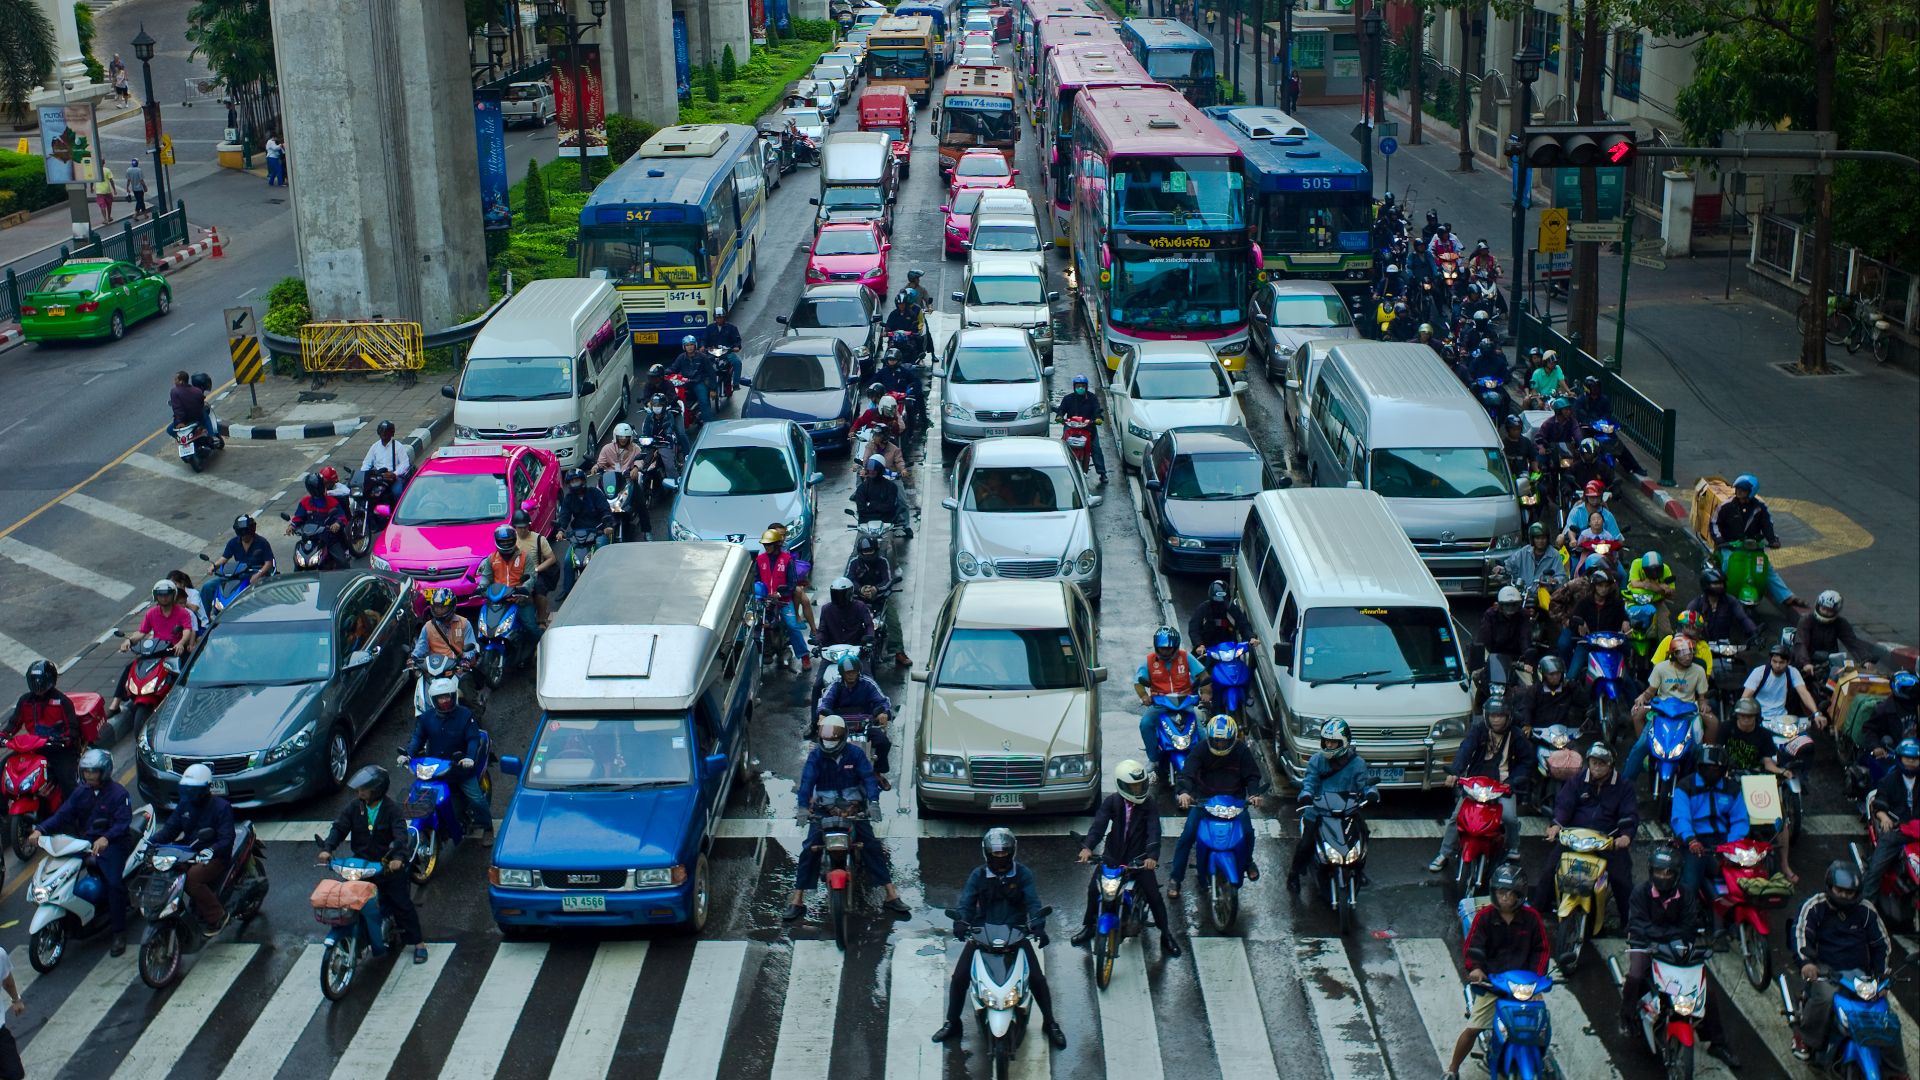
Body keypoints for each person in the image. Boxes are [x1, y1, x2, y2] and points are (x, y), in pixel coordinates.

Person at [932, 829, 1067, 1049]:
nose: (1000, 857)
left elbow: (1033, 903)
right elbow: (966, 902)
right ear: (987, 854)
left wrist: (1038, 926)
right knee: (959, 978)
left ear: (1012, 852)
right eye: (996, 854)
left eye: (1004, 853)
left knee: (1037, 979)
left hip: (1016, 934)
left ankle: (1050, 1023)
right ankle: (952, 1022)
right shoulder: (978, 875)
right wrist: (961, 922)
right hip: (981, 935)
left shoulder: (1023, 874)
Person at [1615, 846, 1742, 1063]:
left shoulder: (1686, 895)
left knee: (1705, 991)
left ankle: (1718, 1043)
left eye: (1667, 873)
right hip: (1645, 945)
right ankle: (1627, 1017)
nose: (1662, 877)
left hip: (1677, 948)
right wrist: (1668, 936)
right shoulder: (1639, 893)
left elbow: (1689, 927)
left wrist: (1668, 937)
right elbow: (1638, 925)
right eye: (1658, 872)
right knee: (1636, 975)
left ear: (1676, 875)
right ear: (1650, 871)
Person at [784, 716, 909, 921]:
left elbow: (869, 779)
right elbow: (806, 782)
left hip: (854, 810)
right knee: (809, 848)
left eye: (834, 740)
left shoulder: (856, 754)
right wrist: (803, 808)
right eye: (827, 740)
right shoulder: (816, 757)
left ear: (843, 738)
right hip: (825, 810)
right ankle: (797, 899)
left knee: (871, 845)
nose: (830, 743)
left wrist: (873, 803)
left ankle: (891, 893)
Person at [1443, 863, 1550, 1080]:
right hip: (1493, 985)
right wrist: (1476, 969)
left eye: (1511, 894)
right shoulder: (1485, 918)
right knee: (1473, 1028)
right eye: (1502, 892)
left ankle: (1542, 1061)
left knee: (1539, 1028)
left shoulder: (1532, 919)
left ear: (1520, 895)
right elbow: (1473, 948)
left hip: (1524, 987)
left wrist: (1536, 980)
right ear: (1494, 893)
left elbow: (1542, 950)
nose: (1506, 898)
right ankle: (1452, 1069)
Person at [317, 765, 426, 964]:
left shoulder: (391, 810)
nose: (359, 792)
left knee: (401, 904)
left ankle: (418, 943)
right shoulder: (354, 807)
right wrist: (328, 848)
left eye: (364, 789)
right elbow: (339, 828)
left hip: (385, 866)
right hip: (360, 866)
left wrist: (397, 859)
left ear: (376, 789)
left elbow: (400, 836)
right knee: (346, 901)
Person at [1789, 862, 1896, 1065]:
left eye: (1850, 892)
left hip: (1859, 974)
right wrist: (1806, 963)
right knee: (1826, 996)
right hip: (1825, 970)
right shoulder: (1814, 906)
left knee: (1882, 1011)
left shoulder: (1866, 910)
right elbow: (1801, 933)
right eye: (1840, 890)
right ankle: (1804, 1037)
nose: (1845, 896)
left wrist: (1883, 976)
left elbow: (1881, 944)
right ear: (1830, 887)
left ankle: (1897, 1069)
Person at [29, 749, 134, 955]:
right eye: (86, 772)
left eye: (93, 772)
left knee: (114, 883)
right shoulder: (81, 792)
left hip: (114, 844)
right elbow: (62, 815)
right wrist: (40, 830)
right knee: (60, 866)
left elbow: (123, 823)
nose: (88, 776)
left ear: (104, 772)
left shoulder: (119, 794)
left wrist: (107, 838)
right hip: (86, 842)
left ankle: (119, 932)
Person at [1071, 760, 1179, 957]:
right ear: (1121, 785)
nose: (1138, 789)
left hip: (1138, 860)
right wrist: (1087, 847)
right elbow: (1099, 826)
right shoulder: (1112, 801)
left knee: (1154, 895)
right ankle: (1088, 927)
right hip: (1112, 857)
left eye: (1140, 785)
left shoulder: (1149, 805)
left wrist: (1151, 856)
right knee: (1093, 890)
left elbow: (1154, 831)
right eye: (1133, 786)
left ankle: (1166, 935)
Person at [1532, 743, 1636, 928]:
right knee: (1549, 870)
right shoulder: (1577, 780)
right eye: (1594, 762)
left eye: (1601, 763)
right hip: (1575, 837)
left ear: (1611, 765)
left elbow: (1629, 814)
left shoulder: (1623, 785)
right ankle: (1536, 916)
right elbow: (1564, 805)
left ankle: (1630, 925)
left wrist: (1625, 836)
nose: (1596, 767)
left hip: (1606, 840)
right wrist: (1556, 825)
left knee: (1622, 879)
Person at [1167, 715, 1269, 894]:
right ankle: (1175, 878)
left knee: (1247, 833)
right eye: (1216, 741)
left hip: (1235, 802)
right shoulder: (1200, 749)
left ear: (1232, 739)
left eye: (1224, 741)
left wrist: (1254, 794)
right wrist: (1184, 792)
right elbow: (1187, 773)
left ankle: (1247, 862)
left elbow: (1252, 775)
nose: (1220, 745)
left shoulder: (1241, 750)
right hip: (1204, 801)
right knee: (1187, 836)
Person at [1428, 696, 1529, 873]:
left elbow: (1526, 762)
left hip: (1502, 786)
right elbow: (1465, 750)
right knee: (1457, 817)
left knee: (1509, 818)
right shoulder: (1479, 730)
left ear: (1508, 716)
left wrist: (1513, 782)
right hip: (1476, 785)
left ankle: (1513, 846)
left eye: (1500, 716)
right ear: (1486, 716)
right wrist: (1455, 772)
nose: (1496, 720)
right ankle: (1445, 853)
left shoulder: (1517, 735)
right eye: (1492, 716)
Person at [1286, 719, 1377, 895]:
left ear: (1344, 742)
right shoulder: (1317, 760)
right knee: (1306, 843)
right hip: (1319, 811)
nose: (1329, 745)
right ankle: (1293, 874)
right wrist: (1306, 794)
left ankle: (1358, 869)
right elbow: (1310, 781)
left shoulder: (1357, 763)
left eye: (1333, 742)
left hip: (1347, 811)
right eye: (1326, 741)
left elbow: (1364, 783)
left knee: (1363, 836)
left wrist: (1370, 792)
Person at [149, 763, 236, 935]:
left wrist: (211, 851)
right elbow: (170, 829)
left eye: (193, 791)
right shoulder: (184, 805)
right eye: (187, 790)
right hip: (188, 851)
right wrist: (150, 843)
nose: (189, 794)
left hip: (214, 856)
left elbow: (226, 839)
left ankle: (217, 915)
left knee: (192, 879)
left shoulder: (221, 807)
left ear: (206, 789)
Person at [401, 678, 491, 839]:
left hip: (459, 768)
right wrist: (407, 755)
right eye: (440, 698)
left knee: (476, 798)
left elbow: (473, 739)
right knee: (420, 796)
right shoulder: (426, 718)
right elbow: (417, 738)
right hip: (435, 768)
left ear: (453, 696)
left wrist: (469, 758)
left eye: (447, 696)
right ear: (434, 700)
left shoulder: (465, 715)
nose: (444, 701)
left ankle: (487, 828)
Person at [1671, 744, 1748, 928]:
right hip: (1696, 841)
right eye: (1708, 767)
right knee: (1690, 884)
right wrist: (1691, 839)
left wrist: (1732, 845)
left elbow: (1740, 820)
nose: (1712, 771)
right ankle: (1686, 923)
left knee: (1745, 880)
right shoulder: (1685, 786)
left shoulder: (1732, 788)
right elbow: (1680, 818)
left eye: (1717, 768)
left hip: (1724, 840)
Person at [1626, 637, 1718, 779]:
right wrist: (1642, 697)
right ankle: (1630, 775)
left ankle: (1707, 764)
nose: (1688, 656)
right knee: (1640, 742)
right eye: (1683, 653)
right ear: (1673, 654)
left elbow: (1702, 697)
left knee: (1712, 724)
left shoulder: (1699, 670)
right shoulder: (1661, 668)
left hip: (1688, 710)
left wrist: (1703, 703)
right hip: (1662, 709)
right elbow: (1651, 691)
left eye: (1691, 652)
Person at [108, 579, 197, 718]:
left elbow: (187, 631)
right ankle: (114, 705)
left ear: (173, 595)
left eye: (167, 594)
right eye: (160, 594)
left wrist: (180, 643)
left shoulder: (182, 613)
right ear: (156, 596)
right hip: (156, 649)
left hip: (174, 650)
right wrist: (129, 641)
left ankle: (185, 702)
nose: (164, 597)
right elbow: (142, 633)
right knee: (130, 668)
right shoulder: (151, 613)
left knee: (186, 671)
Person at [1709, 474, 1798, 607]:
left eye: (1743, 490)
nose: (1739, 492)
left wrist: (1772, 540)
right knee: (1727, 564)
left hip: (1753, 546)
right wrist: (1720, 540)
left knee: (1767, 569)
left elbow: (1768, 525)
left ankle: (1786, 596)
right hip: (1731, 546)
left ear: (1751, 492)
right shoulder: (1726, 506)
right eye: (1738, 489)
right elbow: (1714, 523)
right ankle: (1720, 595)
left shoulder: (1760, 508)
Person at [4, 659, 86, 797]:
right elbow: (13, 724)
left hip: (59, 749)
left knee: (67, 781)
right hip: (34, 748)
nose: (38, 687)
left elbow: (72, 729)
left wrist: (63, 739)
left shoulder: (63, 702)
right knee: (4, 767)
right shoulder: (25, 701)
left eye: (41, 682)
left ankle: (74, 814)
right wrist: (4, 735)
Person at [1134, 626, 1209, 769]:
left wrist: (1206, 693)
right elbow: (1138, 681)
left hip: (1184, 702)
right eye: (1162, 648)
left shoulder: (1185, 657)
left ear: (1175, 646)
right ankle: (1153, 758)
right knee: (1145, 724)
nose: (1165, 651)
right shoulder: (1149, 661)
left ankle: (1204, 761)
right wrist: (1144, 696)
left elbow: (1203, 675)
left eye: (1168, 648)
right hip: (1160, 703)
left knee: (1201, 733)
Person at [816, 653, 895, 787]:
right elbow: (824, 702)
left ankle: (877, 772)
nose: (851, 675)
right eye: (848, 672)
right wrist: (822, 714)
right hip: (840, 724)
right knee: (824, 746)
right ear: (842, 673)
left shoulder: (868, 684)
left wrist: (883, 712)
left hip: (864, 723)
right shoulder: (836, 685)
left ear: (858, 671)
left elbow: (882, 700)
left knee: (883, 742)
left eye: (853, 672)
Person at [1862, 738, 1920, 901]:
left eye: (1915, 759)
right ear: (1900, 758)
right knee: (1876, 869)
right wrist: (1884, 817)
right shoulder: (1890, 780)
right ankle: (1866, 907)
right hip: (1898, 829)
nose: (1911, 763)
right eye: (1908, 759)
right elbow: (1879, 804)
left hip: (1918, 829)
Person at [756, 528, 815, 668]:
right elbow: (755, 579)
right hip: (765, 601)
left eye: (769, 544)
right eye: (765, 545)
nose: (767, 547)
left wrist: (780, 594)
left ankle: (804, 656)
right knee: (755, 626)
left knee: (792, 626)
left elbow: (792, 583)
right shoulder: (759, 560)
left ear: (777, 544)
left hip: (783, 601)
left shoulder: (787, 560)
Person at [1791, 590, 1883, 680]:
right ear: (1818, 606)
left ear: (1836, 611)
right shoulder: (1806, 620)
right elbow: (1801, 643)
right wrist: (1805, 663)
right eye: (1824, 609)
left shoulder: (1840, 623)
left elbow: (1852, 642)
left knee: (1841, 679)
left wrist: (1865, 660)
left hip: (1830, 661)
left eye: (1830, 610)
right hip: (1807, 660)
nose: (1826, 612)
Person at [846, 536, 908, 666]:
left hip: (880, 598)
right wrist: (861, 589)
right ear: (860, 552)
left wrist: (875, 589)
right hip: (858, 600)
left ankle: (898, 652)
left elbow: (888, 580)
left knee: (894, 622)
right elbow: (849, 580)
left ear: (876, 550)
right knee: (848, 622)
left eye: (871, 551)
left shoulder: (883, 562)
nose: (868, 554)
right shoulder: (853, 563)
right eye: (865, 551)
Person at [474, 524, 540, 643]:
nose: (505, 544)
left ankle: (539, 652)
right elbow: (486, 577)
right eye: (502, 542)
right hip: (497, 602)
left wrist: (524, 588)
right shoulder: (491, 559)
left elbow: (531, 577)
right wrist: (481, 588)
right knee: (483, 630)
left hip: (520, 601)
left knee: (531, 628)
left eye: (508, 541)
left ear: (514, 540)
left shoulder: (525, 557)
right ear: (497, 541)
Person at [1561, 567, 1628, 679]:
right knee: (1571, 677)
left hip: (1609, 646)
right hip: (1587, 644)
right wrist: (1579, 624)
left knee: (1625, 680)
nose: (1603, 589)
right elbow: (1573, 619)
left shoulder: (1616, 603)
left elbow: (1624, 617)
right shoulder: (1584, 603)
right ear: (1594, 586)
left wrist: (1626, 622)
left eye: (1606, 586)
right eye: (1600, 585)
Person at [555, 467, 614, 591]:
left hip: (597, 531)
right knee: (567, 561)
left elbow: (605, 510)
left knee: (601, 555)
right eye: (572, 481)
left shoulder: (595, 493)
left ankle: (606, 584)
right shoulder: (569, 498)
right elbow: (564, 515)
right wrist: (561, 530)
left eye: (577, 480)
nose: (575, 483)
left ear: (583, 481)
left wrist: (608, 525)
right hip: (578, 535)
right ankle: (567, 591)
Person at [201, 514, 276, 613]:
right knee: (208, 586)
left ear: (252, 530)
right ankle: (204, 619)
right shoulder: (233, 543)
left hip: (255, 575)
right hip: (237, 574)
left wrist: (258, 574)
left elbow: (269, 563)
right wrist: (213, 566)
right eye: (242, 534)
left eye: (246, 533)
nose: (244, 536)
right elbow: (224, 558)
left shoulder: (262, 542)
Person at [593, 422, 654, 541]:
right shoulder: (607, 449)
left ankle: (647, 531)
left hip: (628, 480)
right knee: (595, 502)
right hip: (609, 480)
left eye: (626, 437)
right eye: (621, 436)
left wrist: (635, 468)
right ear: (616, 436)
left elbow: (639, 461)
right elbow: (600, 463)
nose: (623, 439)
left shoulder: (635, 448)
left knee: (640, 503)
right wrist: (596, 467)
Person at [1512, 655, 1593, 741]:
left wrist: (1573, 687)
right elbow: (1526, 708)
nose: (1555, 677)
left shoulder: (1569, 688)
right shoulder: (1534, 690)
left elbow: (1585, 703)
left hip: (1563, 735)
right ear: (1543, 674)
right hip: (1540, 734)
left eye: (1558, 673)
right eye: (1551, 674)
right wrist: (1526, 725)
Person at [1742, 642, 1823, 722]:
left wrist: (1816, 713)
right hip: (1759, 717)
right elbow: (1745, 697)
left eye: (1781, 662)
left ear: (1788, 662)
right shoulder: (1759, 672)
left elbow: (1804, 693)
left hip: (1782, 719)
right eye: (1774, 661)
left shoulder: (1792, 672)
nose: (1777, 665)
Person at [287, 471, 351, 567]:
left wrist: (337, 524)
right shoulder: (305, 502)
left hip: (328, 538)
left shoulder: (332, 502)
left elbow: (342, 517)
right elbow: (298, 517)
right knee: (298, 562)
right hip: (309, 539)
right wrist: (292, 526)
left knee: (343, 563)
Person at [1053, 374, 1108, 482]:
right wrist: (1059, 416)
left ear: (1086, 387)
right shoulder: (1068, 398)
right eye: (1078, 386)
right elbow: (1061, 410)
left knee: (1096, 449)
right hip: (1071, 428)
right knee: (1063, 447)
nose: (1080, 388)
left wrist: (1098, 418)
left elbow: (1097, 410)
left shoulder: (1092, 398)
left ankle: (1102, 473)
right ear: (1074, 387)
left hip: (1088, 428)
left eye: (1082, 386)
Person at [510, 511, 560, 626]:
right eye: (519, 527)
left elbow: (551, 558)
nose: (522, 530)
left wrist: (537, 569)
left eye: (524, 527)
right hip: (515, 573)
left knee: (539, 592)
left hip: (535, 573)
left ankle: (541, 619)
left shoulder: (539, 539)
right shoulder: (511, 540)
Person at [1477, 586, 1531, 692]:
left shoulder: (1523, 615)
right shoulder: (1490, 615)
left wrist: (1527, 661)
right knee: (1477, 678)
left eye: (1513, 604)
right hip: (1494, 659)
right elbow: (1482, 640)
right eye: (1507, 605)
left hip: (1516, 660)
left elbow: (1525, 638)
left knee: (1529, 686)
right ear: (1500, 605)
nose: (1510, 608)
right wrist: (1483, 659)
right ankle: (1479, 706)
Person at [1684, 568, 1758, 644]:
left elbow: (1743, 618)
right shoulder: (1696, 604)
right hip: (1702, 646)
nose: (1720, 586)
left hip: (1725, 646)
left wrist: (1755, 633)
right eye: (1715, 583)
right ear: (1706, 585)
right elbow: (1686, 625)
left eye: (1721, 583)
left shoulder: (1731, 601)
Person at [411, 587, 479, 669]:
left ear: (451, 606)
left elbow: (471, 647)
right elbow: (421, 647)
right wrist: (413, 658)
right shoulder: (427, 627)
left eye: (442, 608)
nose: (439, 611)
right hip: (434, 670)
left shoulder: (465, 623)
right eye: (436, 607)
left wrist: (466, 660)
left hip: (458, 669)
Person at [1859, 672, 1919, 761]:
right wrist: (1876, 747)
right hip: (1896, 752)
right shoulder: (1885, 709)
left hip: (1916, 749)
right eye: (1912, 691)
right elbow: (1869, 728)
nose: (1915, 693)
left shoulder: (1916, 705)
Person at [1186, 580, 1255, 655]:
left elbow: (1243, 624)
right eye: (1217, 600)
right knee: (1192, 664)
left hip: (1229, 650)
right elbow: (1194, 628)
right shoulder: (1203, 608)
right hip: (1206, 649)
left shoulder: (1232, 609)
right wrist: (1199, 645)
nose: (1220, 604)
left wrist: (1251, 637)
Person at [1502, 523, 1567, 602]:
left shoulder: (1555, 554)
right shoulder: (1524, 551)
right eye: (1537, 538)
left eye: (1543, 538)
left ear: (1547, 539)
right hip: (1523, 594)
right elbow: (1509, 564)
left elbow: (1561, 576)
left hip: (1543, 595)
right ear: (1532, 539)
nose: (1540, 541)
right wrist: (1501, 568)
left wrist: (1554, 580)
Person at [851, 455, 911, 535]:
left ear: (880, 469)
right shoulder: (862, 488)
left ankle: (906, 527)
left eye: (875, 469)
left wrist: (872, 506)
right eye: (870, 469)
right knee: (861, 545)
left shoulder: (891, 487)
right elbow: (861, 509)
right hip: (866, 525)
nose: (872, 471)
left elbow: (890, 507)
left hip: (885, 525)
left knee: (888, 546)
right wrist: (879, 507)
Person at [1626, 550, 1677, 639]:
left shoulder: (1666, 569)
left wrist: (1651, 586)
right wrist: (1658, 587)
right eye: (1651, 571)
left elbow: (1671, 593)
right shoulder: (1637, 564)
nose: (1654, 574)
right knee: (1626, 627)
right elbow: (1634, 583)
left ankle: (1662, 649)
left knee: (1666, 631)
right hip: (1634, 599)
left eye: (1657, 570)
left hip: (1656, 601)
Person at [1559, 480, 1622, 548]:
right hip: (1578, 548)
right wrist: (1573, 540)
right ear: (1586, 497)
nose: (1595, 500)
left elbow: (1617, 538)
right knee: (1560, 540)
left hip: (1601, 551)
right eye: (1592, 497)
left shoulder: (1608, 515)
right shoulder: (1576, 511)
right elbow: (1570, 529)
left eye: (1597, 497)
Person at [668, 335, 718, 421]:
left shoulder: (702, 357)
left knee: (704, 401)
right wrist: (661, 373)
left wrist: (713, 389)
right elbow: (673, 369)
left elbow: (711, 373)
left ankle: (708, 424)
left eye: (691, 344)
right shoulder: (681, 357)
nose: (690, 347)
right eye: (687, 345)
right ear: (684, 347)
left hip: (698, 382)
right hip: (684, 383)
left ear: (695, 345)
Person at [639, 393, 690, 476]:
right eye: (654, 404)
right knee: (642, 465)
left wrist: (668, 436)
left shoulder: (669, 415)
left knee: (669, 466)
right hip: (651, 444)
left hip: (665, 443)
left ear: (664, 406)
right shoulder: (649, 417)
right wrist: (644, 438)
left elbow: (670, 427)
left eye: (659, 405)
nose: (656, 406)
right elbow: (646, 430)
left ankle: (674, 484)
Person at [359, 419, 414, 495]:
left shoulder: (398, 446)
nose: (384, 433)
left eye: (387, 431)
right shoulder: (375, 447)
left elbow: (405, 463)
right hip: (378, 477)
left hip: (393, 478)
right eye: (382, 431)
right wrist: (363, 474)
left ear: (392, 433)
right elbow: (367, 462)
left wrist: (395, 474)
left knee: (397, 492)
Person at [700, 307, 744, 397]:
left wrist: (736, 347)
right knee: (703, 364)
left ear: (725, 317)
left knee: (737, 363)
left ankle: (735, 384)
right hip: (712, 352)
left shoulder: (732, 328)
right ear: (715, 318)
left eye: (721, 317)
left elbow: (737, 340)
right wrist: (702, 346)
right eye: (717, 318)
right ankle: (704, 383)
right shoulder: (709, 328)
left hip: (726, 352)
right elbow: (704, 339)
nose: (719, 319)